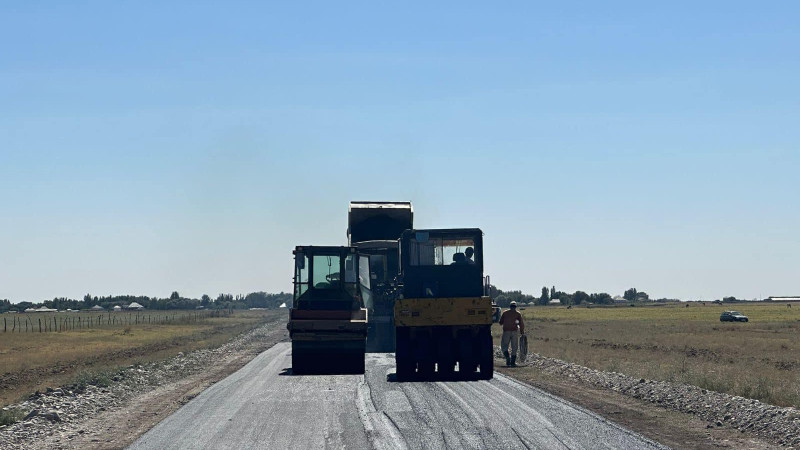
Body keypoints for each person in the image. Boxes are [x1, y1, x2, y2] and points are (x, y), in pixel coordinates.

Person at [499, 301, 524, 367]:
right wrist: (522, 331)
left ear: (510, 306)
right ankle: (512, 362)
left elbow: (500, 322)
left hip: (506, 331)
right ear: (515, 307)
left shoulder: (505, 313)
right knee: (514, 347)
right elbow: (521, 323)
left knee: (504, 346)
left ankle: (507, 358)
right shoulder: (518, 314)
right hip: (514, 332)